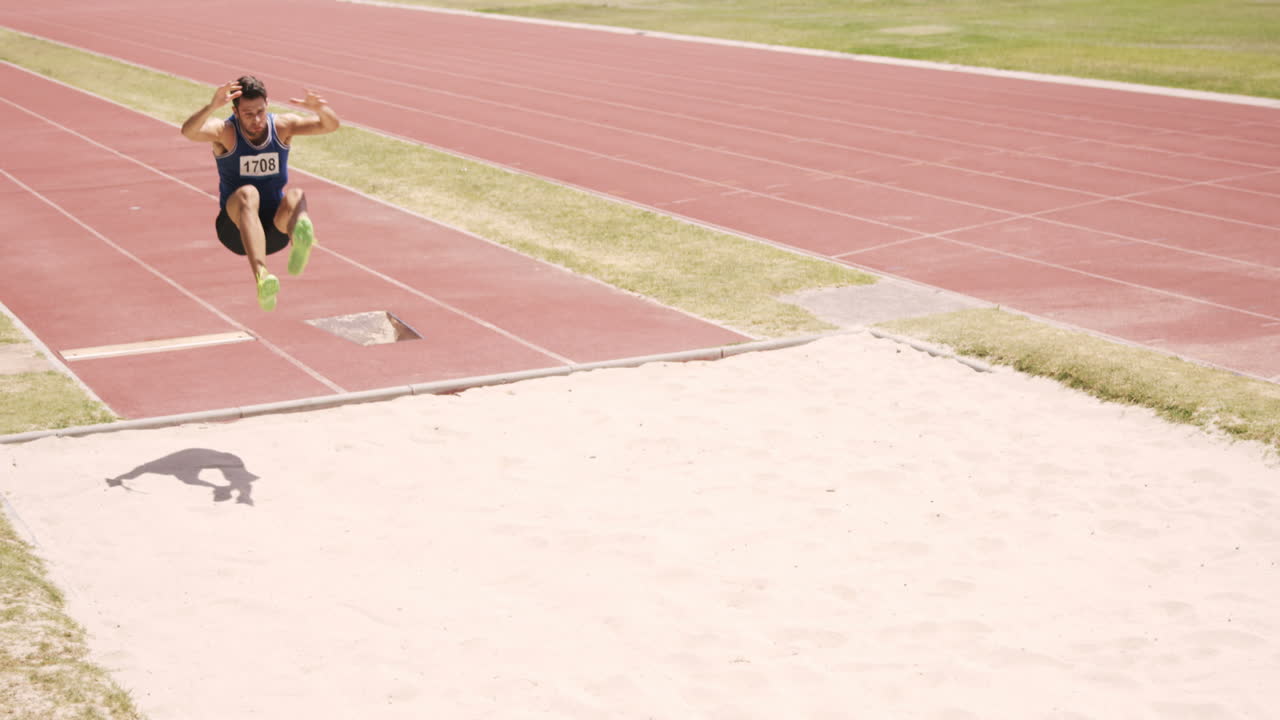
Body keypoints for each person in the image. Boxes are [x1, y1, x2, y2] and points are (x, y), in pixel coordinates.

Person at [180, 75, 340, 310]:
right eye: (248, 114)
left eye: (260, 111)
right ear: (235, 111)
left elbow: (330, 125)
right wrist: (212, 106)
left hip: (275, 230)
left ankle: (301, 239)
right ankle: (262, 276)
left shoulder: (282, 126)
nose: (256, 120)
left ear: (267, 104)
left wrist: (321, 109)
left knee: (296, 195)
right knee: (248, 193)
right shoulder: (226, 131)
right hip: (235, 230)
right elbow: (189, 132)